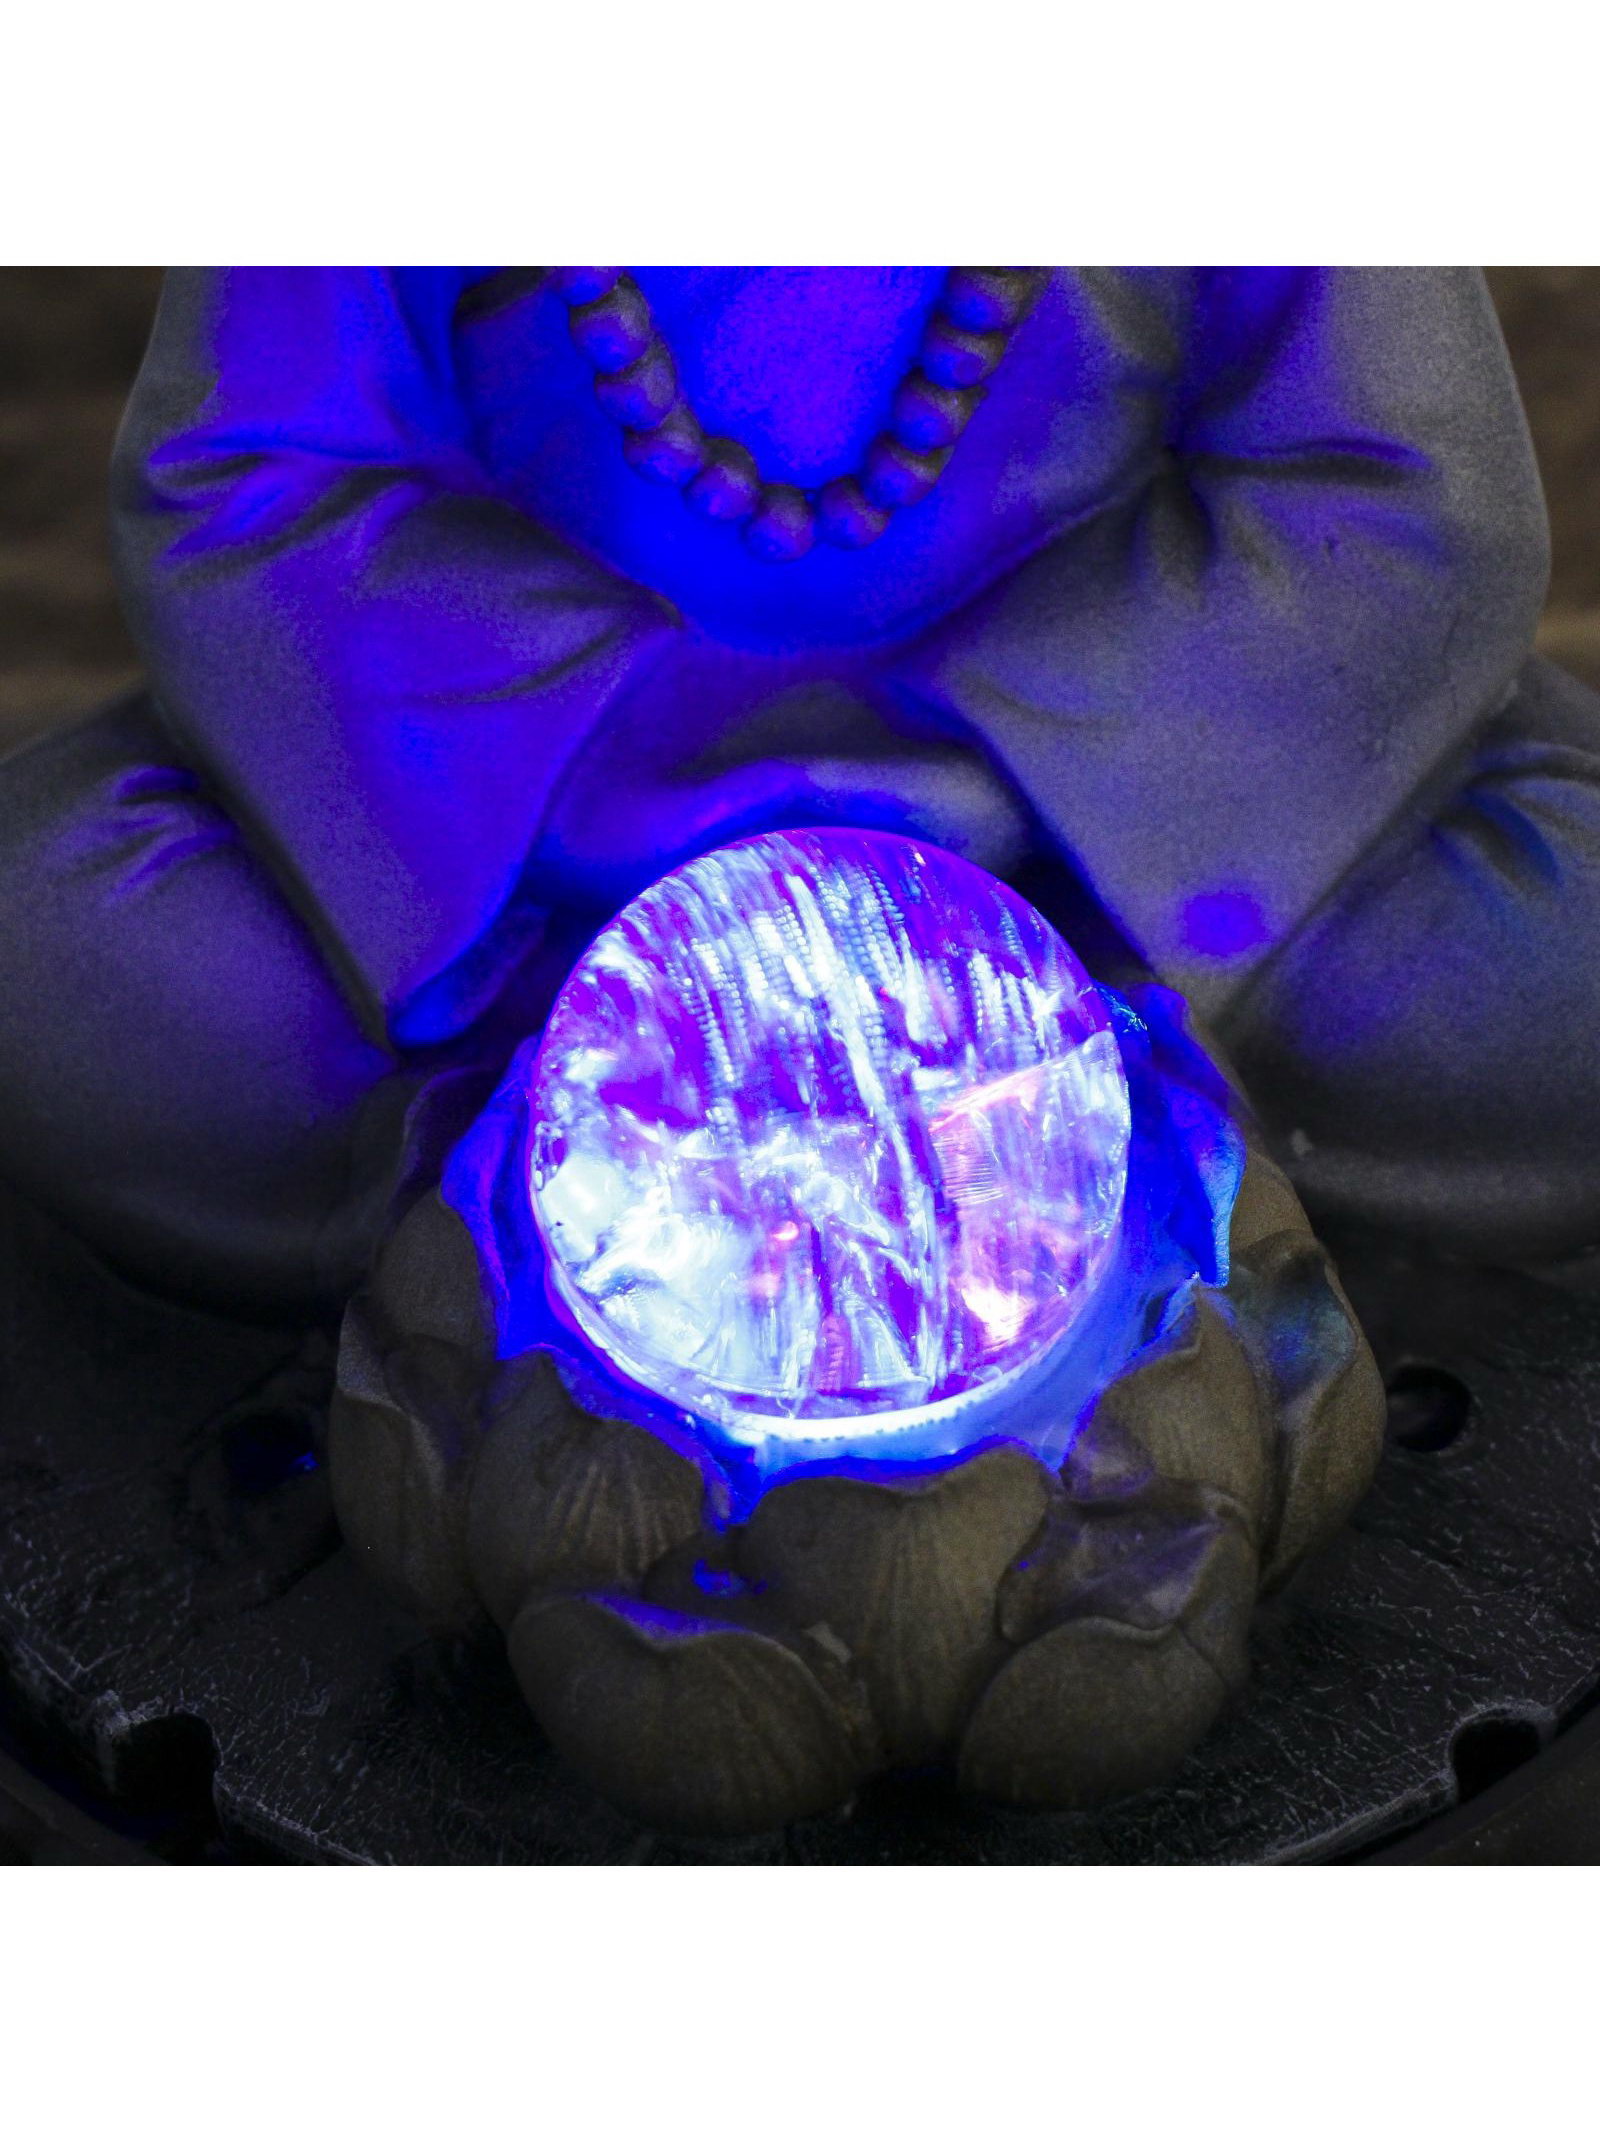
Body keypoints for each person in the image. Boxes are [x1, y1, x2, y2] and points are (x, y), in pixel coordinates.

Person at [0, 265, 1594, 1316]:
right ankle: (522, 1177)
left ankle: (1110, 1139)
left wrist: (1022, 774)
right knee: (61, 934)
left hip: (1108, 844)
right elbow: (258, 486)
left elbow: (1404, 498)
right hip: (555, 864)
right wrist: (594, 766)